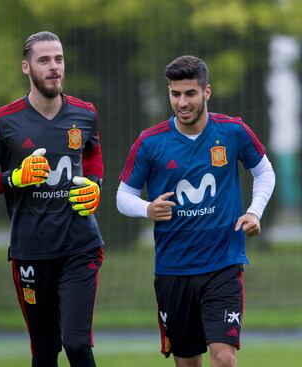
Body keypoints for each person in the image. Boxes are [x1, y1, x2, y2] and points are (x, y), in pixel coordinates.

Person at [116, 55, 275, 367]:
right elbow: (123, 196)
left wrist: (254, 211)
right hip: (173, 270)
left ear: (207, 92)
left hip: (223, 264)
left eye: (190, 93)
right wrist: (147, 208)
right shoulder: (150, 142)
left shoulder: (233, 131)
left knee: (224, 357)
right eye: (175, 94)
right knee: (187, 362)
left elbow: (264, 172)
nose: (182, 102)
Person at [0, 31, 104, 367]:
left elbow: (92, 155)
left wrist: (95, 184)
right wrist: (14, 177)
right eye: (44, 60)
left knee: (76, 343)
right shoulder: (3, 121)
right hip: (31, 250)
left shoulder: (85, 114)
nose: (54, 66)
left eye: (58, 59)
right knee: (45, 350)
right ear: (26, 67)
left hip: (80, 245)